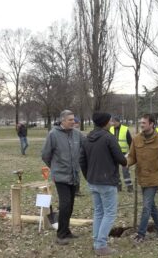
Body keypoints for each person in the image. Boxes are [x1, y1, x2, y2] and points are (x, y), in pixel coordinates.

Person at [80, 112, 127, 256]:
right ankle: (100, 245)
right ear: (105, 122)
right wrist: (126, 160)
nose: (112, 123)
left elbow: (82, 160)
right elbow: (121, 159)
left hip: (93, 181)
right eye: (110, 121)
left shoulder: (87, 138)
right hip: (106, 182)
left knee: (99, 212)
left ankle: (97, 240)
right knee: (110, 213)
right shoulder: (108, 138)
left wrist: (88, 176)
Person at [127, 114, 158, 243]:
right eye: (140, 123)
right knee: (151, 205)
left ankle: (141, 234)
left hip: (154, 178)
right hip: (142, 177)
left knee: (146, 206)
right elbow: (132, 157)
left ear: (152, 124)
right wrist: (125, 163)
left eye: (144, 123)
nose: (141, 125)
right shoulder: (136, 139)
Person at [41, 110, 85, 245]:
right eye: (70, 120)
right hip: (60, 176)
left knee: (70, 205)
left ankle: (66, 231)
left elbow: (87, 146)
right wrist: (55, 167)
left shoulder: (77, 134)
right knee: (65, 204)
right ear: (62, 121)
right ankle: (60, 235)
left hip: (74, 175)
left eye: (73, 119)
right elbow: (45, 155)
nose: (73, 122)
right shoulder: (53, 134)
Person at [109, 116, 133, 192]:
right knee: (115, 170)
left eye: (114, 122)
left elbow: (130, 142)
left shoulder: (125, 129)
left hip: (124, 154)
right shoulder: (110, 129)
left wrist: (130, 153)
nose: (113, 123)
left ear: (118, 122)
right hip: (113, 153)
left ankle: (129, 187)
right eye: (112, 122)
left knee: (125, 171)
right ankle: (118, 186)